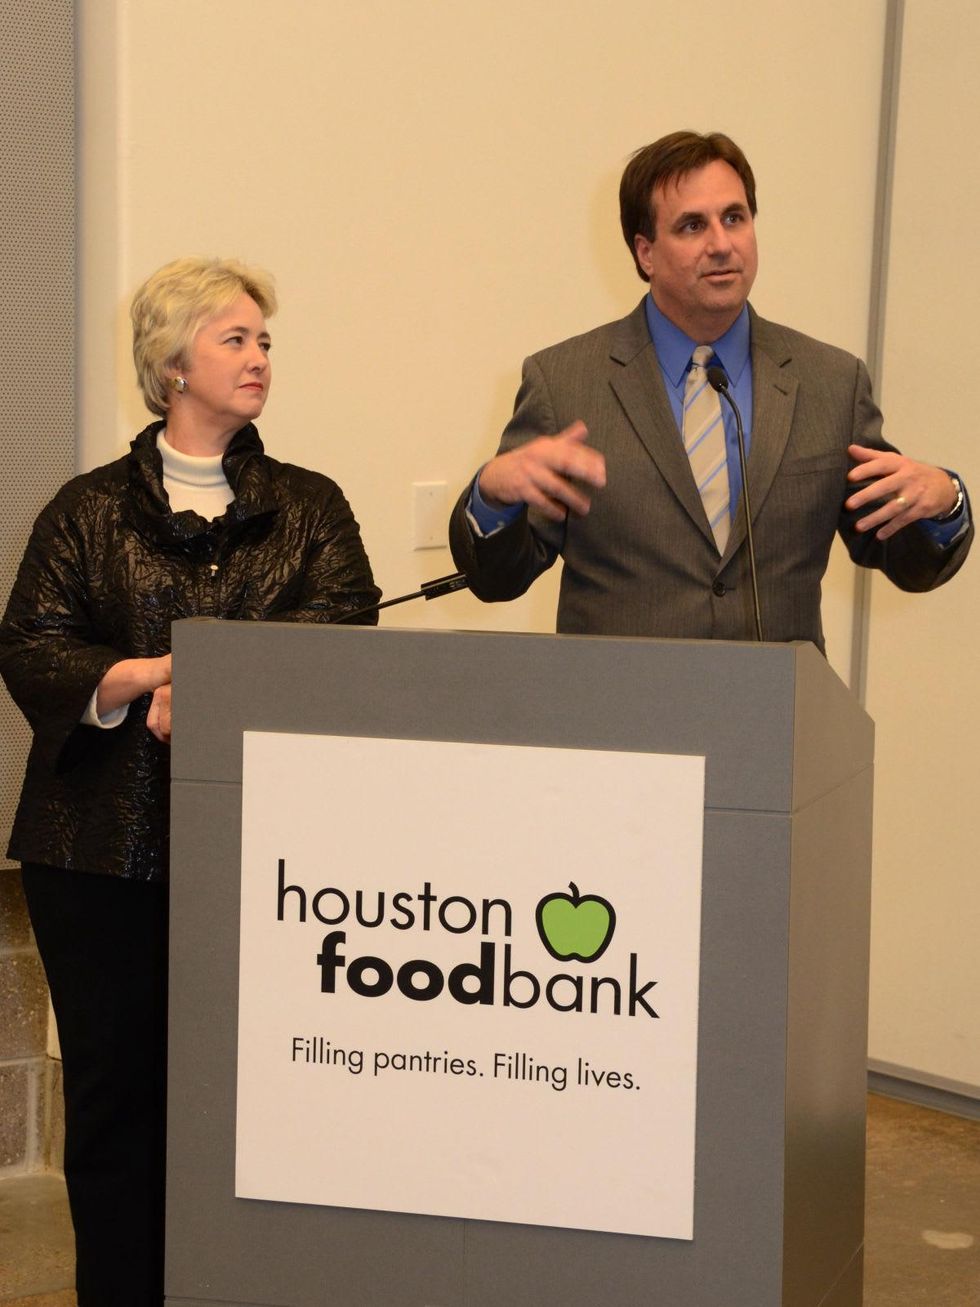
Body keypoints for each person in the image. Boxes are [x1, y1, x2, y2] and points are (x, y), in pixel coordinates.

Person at [0, 257, 380, 1307]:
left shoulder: (310, 506)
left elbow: (348, 632)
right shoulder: (84, 511)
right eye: (235, 338)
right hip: (95, 854)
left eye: (264, 341)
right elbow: (31, 647)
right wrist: (150, 676)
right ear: (173, 365)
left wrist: (221, 682)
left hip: (270, 859)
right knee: (117, 1107)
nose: (259, 357)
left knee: (253, 1105)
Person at [449, 131, 971, 647]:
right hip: (616, 718)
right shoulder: (565, 382)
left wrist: (945, 505)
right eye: (693, 225)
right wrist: (493, 496)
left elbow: (908, 562)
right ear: (646, 252)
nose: (722, 244)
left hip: (777, 718)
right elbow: (499, 579)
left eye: (734, 218)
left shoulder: (831, 383)